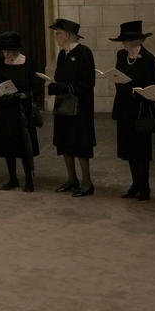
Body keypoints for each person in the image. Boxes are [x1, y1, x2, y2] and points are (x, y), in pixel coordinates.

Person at [109, 20, 155, 200]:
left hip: (141, 109)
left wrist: (134, 91)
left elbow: (153, 86)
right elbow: (117, 77)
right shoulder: (121, 56)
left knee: (141, 151)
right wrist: (123, 86)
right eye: (123, 41)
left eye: (126, 41)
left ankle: (144, 187)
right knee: (129, 149)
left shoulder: (149, 59)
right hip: (124, 108)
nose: (124, 44)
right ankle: (135, 184)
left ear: (137, 41)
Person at [48, 19, 96, 196]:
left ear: (68, 35)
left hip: (80, 107)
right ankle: (71, 178)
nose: (56, 37)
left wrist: (65, 87)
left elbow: (88, 82)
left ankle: (87, 181)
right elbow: (58, 76)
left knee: (81, 143)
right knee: (64, 141)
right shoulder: (62, 54)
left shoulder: (84, 52)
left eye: (58, 33)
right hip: (63, 106)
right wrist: (54, 85)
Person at [0, 31, 40, 192]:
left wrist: (23, 94)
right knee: (7, 145)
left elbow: (36, 87)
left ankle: (29, 179)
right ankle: (12, 178)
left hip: (21, 110)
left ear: (16, 50)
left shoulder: (28, 64)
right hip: (5, 109)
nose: (5, 54)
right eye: (3, 51)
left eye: (8, 51)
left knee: (24, 145)